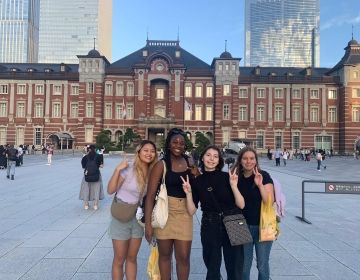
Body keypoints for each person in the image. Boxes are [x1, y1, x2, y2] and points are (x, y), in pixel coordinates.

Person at [182, 145, 245, 280]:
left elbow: (241, 204)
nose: (212, 159)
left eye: (215, 156)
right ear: (203, 158)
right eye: (208, 155)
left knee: (236, 266)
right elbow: (192, 211)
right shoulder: (197, 181)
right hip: (210, 222)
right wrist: (188, 194)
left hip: (234, 220)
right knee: (212, 266)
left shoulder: (227, 177)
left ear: (219, 160)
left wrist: (234, 186)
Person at [145, 128, 196, 280]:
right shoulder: (161, 165)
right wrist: (148, 224)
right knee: (165, 255)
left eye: (181, 142)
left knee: (184, 257)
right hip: (165, 212)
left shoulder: (189, 162)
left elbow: (200, 183)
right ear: (169, 144)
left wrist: (194, 167)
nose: (178, 145)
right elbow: (150, 196)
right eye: (175, 142)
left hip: (184, 214)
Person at [107, 140, 158, 280]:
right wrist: (118, 169)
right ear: (139, 152)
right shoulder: (128, 168)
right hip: (121, 216)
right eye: (146, 150)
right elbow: (110, 190)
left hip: (138, 218)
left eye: (152, 151)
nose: (149, 153)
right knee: (119, 259)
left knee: (132, 257)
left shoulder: (154, 172)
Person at [232, 147, 274, 280]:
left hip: (263, 225)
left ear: (256, 160)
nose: (248, 161)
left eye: (251, 158)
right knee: (243, 265)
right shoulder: (235, 178)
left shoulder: (264, 175)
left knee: (262, 264)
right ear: (240, 160)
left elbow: (269, 202)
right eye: (245, 158)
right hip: (240, 226)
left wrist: (260, 185)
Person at [79, 144, 104, 210]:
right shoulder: (99, 156)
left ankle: (86, 205)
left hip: (87, 175)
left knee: (86, 189)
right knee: (96, 189)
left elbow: (83, 166)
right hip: (96, 174)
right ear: (95, 149)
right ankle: (95, 205)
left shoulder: (85, 157)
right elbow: (101, 165)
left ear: (89, 149)